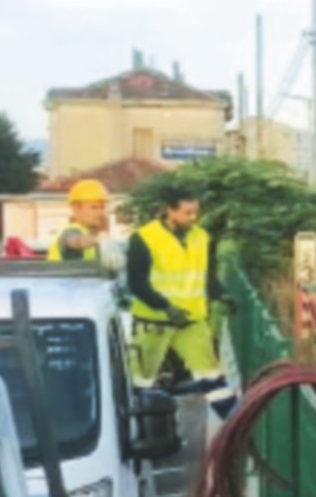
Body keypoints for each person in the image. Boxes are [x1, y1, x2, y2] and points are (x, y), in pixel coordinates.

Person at [126, 188, 236, 418]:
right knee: (141, 382)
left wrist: (221, 294)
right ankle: (139, 428)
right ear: (170, 211)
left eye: (196, 212)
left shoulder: (202, 237)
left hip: (191, 321)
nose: (193, 218)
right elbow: (136, 283)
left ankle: (237, 424)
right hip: (153, 323)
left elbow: (207, 277)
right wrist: (165, 307)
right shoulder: (144, 238)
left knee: (211, 377)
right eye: (187, 213)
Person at [47, 179, 110, 262]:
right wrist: (99, 239)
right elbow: (74, 241)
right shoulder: (71, 231)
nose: (100, 212)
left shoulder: (92, 234)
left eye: (102, 207)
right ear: (76, 209)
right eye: (93, 207)